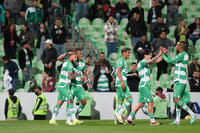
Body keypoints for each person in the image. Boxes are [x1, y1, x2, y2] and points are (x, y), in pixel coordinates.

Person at [161, 41, 196, 125]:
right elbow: (172, 61)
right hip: (179, 79)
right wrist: (166, 54)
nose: (175, 46)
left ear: (181, 46)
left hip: (181, 79)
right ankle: (177, 120)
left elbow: (169, 61)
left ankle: (192, 114)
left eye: (177, 45)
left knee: (176, 99)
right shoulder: (181, 56)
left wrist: (163, 54)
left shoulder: (182, 54)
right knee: (177, 100)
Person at [126, 49, 162, 125]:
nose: (150, 56)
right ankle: (152, 121)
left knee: (141, 103)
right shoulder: (142, 62)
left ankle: (129, 118)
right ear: (145, 55)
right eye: (149, 55)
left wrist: (164, 54)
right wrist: (159, 54)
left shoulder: (145, 64)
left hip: (142, 84)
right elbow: (152, 61)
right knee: (150, 101)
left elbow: (158, 60)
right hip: (145, 84)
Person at [49, 51, 82, 125]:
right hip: (64, 86)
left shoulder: (66, 62)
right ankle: (74, 119)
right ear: (70, 57)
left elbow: (59, 58)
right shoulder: (69, 64)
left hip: (61, 85)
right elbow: (70, 77)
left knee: (59, 103)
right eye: (75, 57)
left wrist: (67, 54)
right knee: (70, 100)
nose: (76, 59)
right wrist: (75, 75)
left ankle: (52, 119)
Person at [114, 47, 133, 124]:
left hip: (118, 83)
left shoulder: (122, 60)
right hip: (121, 82)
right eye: (128, 52)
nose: (129, 54)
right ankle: (119, 114)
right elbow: (118, 71)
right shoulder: (121, 60)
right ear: (123, 53)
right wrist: (122, 82)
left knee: (120, 101)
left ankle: (117, 120)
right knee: (129, 99)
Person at [71, 48, 90, 115]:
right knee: (70, 102)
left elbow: (84, 74)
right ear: (75, 54)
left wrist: (87, 82)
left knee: (84, 102)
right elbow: (59, 59)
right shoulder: (71, 62)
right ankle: (70, 117)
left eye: (82, 54)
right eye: (80, 54)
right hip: (72, 85)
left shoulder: (83, 63)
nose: (81, 55)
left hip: (79, 86)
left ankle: (76, 114)